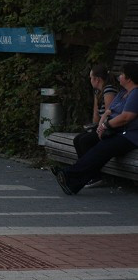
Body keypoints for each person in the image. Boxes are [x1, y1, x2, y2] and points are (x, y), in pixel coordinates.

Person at [52, 62, 138, 195]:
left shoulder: (136, 93)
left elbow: (126, 117)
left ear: (129, 78)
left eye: (122, 74)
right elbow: (109, 110)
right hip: (119, 131)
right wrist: (102, 124)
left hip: (131, 136)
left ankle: (69, 176)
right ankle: (71, 179)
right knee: (94, 144)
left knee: (102, 148)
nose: (119, 76)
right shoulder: (123, 93)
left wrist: (106, 125)